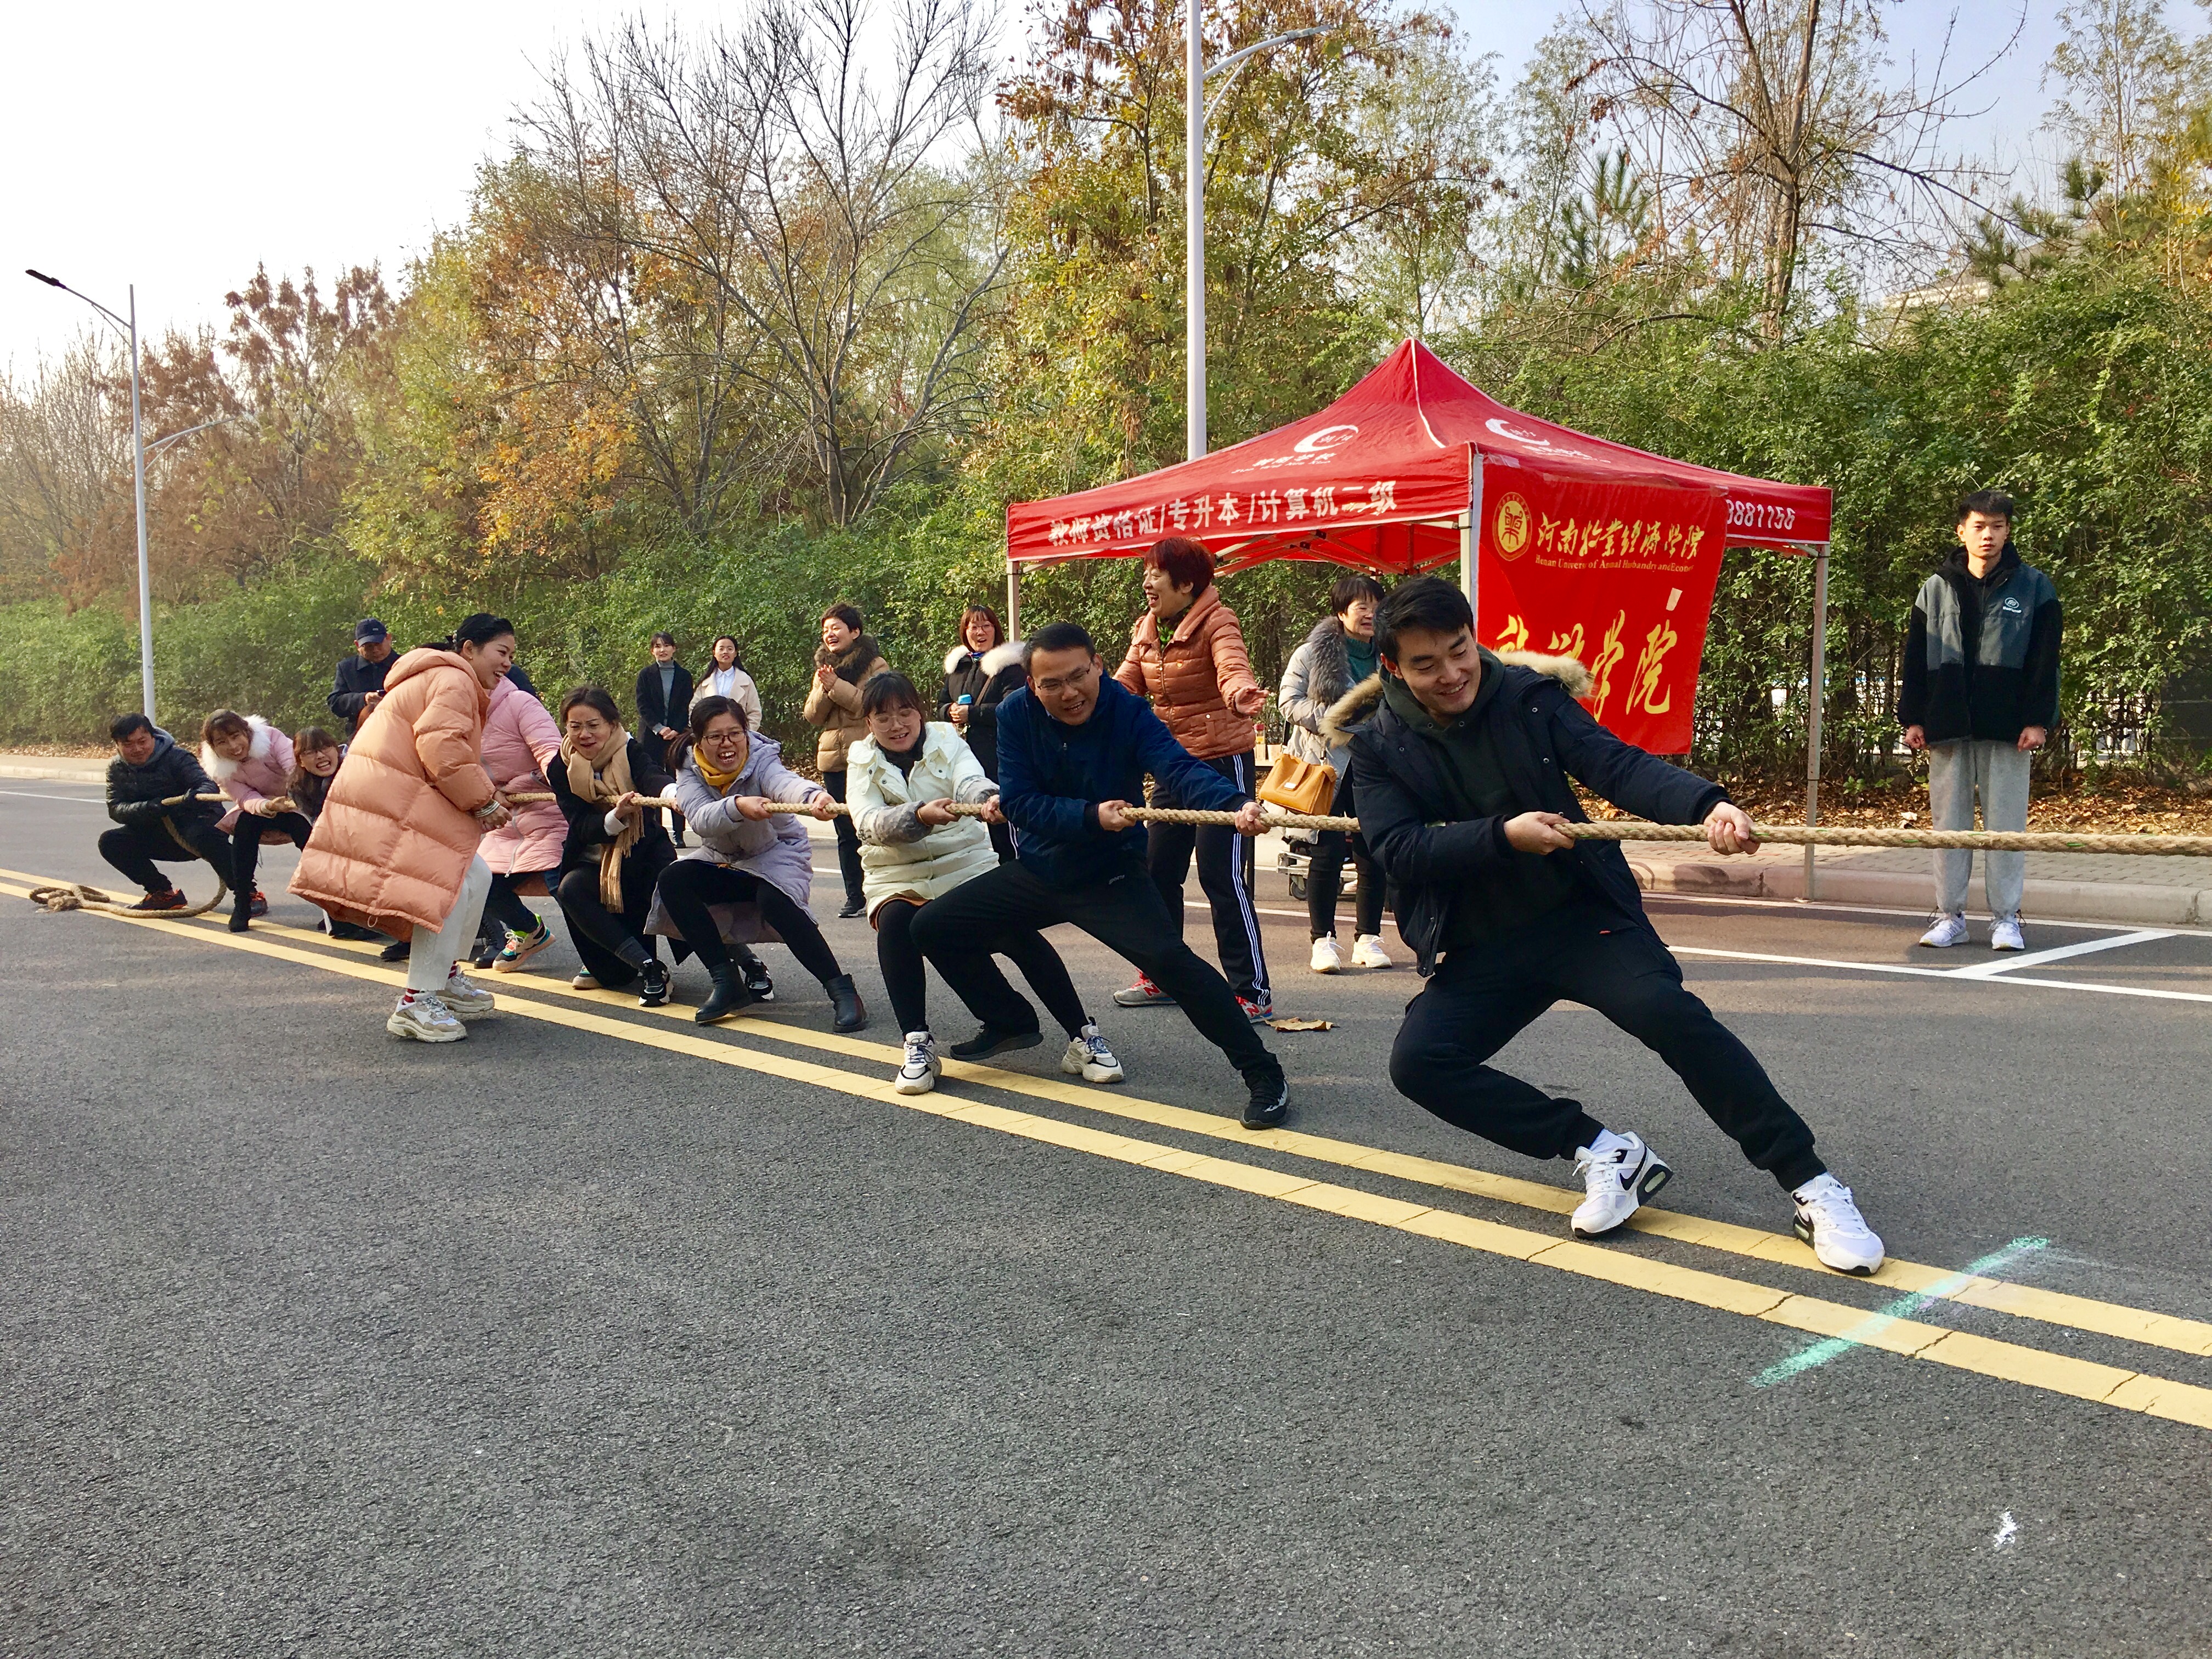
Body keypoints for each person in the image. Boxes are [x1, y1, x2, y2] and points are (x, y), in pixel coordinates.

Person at [1347, 577, 1883, 1272]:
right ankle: (1604, 1152)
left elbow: (1616, 764)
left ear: (1474, 639)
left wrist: (1706, 806)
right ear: (1393, 668)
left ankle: (1811, 1184)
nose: (1451, 674)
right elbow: (1398, 850)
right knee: (1420, 1064)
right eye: (1426, 664)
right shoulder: (1378, 746)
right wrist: (1503, 836)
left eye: (1459, 651)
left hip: (1581, 916)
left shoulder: (1528, 697)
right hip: (1485, 941)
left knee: (1669, 1013)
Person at [909, 622, 1289, 1129]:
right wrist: (1090, 816)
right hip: (1041, 869)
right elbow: (1020, 802)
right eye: (1052, 684)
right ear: (1031, 685)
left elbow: (1178, 769)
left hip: (1111, 873)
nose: (1069, 693)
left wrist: (1236, 803)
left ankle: (1265, 1074)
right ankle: (1009, 1020)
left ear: (1099, 666)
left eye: (1078, 677)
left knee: (1172, 964)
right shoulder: (1015, 714)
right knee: (931, 926)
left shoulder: (1127, 710)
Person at [848, 670, 1121, 1094]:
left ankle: (1083, 1036)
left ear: (920, 713)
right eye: (883, 718)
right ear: (869, 723)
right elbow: (866, 822)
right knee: (897, 925)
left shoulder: (947, 739)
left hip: (965, 863)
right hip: (897, 873)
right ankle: (918, 1044)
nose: (896, 725)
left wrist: (987, 799)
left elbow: (970, 780)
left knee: (1014, 929)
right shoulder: (860, 758)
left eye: (905, 713)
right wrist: (918, 816)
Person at [291, 614, 515, 1042]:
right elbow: (441, 747)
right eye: (501, 652)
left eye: (511, 656)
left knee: (475, 874)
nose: (507, 663)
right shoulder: (455, 678)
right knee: (446, 886)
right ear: (469, 649)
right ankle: (416, 1002)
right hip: (396, 796)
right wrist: (484, 802)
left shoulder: (435, 674)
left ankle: (444, 976)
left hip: (391, 790)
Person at [1110, 537, 1273, 1020]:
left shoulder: (1219, 621)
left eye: (1156, 573)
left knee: (1222, 877)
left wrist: (1240, 694)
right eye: (1146, 572)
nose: (1147, 582)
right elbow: (1125, 685)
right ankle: (1162, 975)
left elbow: (1232, 667)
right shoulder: (1147, 627)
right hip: (1172, 766)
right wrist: (1084, 699)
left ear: (1186, 584)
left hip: (1223, 763)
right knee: (1157, 870)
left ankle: (1252, 993)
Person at [1899, 489, 2062, 953]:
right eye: (1978, 526)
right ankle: (1949, 916)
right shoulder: (1935, 587)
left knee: (2006, 828)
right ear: (1961, 531)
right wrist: (1913, 716)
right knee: (1948, 828)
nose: (1987, 535)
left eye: (1997, 526)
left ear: (2008, 532)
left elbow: (2046, 660)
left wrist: (2038, 720)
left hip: (2009, 727)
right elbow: (1915, 657)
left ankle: (2006, 919)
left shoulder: (2035, 588)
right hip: (1947, 723)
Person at [646, 696, 866, 1030]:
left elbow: (784, 783)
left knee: (775, 899)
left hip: (776, 852)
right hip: (723, 858)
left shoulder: (761, 757)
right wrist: (738, 806)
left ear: (746, 733)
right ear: (699, 741)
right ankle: (726, 981)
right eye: (716, 736)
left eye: (735, 733)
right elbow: (701, 819)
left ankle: (842, 991)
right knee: (674, 880)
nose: (727, 744)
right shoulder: (688, 767)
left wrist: (814, 796)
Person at [1279, 573, 1392, 974]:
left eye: (1377, 606)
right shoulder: (1312, 653)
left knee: (1372, 852)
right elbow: (1288, 702)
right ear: (1342, 612)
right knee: (1325, 853)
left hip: (1377, 763)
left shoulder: (1393, 652)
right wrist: (1337, 719)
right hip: (1327, 764)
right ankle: (1322, 941)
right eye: (1362, 606)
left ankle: (1368, 938)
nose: (1370, 614)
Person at [546, 686, 680, 1006]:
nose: (585, 735)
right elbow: (581, 825)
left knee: (680, 888)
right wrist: (616, 817)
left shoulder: (629, 749)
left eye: (593, 725)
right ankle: (648, 966)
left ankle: (737, 964)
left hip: (643, 854)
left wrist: (675, 794)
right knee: (570, 889)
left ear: (611, 724)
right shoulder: (560, 767)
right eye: (575, 726)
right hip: (595, 860)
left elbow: (651, 776)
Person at [474, 667, 567, 971]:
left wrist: (521, 788)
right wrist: (489, 793)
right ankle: (530, 931)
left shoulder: (520, 703)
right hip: (503, 821)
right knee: (477, 881)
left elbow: (552, 757)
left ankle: (600, 955)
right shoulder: (460, 715)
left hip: (547, 812)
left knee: (565, 886)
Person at [803, 603, 889, 918]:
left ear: (854, 631)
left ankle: (882, 889)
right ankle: (854, 895)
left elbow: (869, 706)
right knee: (844, 832)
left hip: (865, 758)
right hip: (833, 760)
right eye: (826, 630)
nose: (830, 634)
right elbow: (812, 715)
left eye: (836, 628)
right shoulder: (824, 668)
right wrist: (826, 687)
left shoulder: (876, 665)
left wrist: (835, 686)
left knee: (873, 826)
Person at [98, 713, 232, 911]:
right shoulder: (116, 769)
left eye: (142, 741)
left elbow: (207, 786)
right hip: (157, 832)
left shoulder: (177, 757)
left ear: (153, 737)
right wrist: (151, 807)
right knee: (111, 842)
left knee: (204, 835)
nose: (137, 749)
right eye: (128, 744)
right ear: (117, 745)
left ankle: (248, 892)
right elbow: (116, 809)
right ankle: (162, 894)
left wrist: (188, 800)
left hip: (196, 826)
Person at [200, 710, 312, 934]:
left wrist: (290, 800)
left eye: (236, 736)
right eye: (222, 742)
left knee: (306, 834)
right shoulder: (218, 768)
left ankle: (331, 907)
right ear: (213, 747)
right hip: (261, 807)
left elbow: (295, 769)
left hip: (297, 801)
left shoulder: (271, 737)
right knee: (245, 826)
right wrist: (267, 806)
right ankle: (243, 902)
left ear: (247, 731)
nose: (233, 746)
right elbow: (243, 797)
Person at [938, 603, 1027, 861]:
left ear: (996, 630)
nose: (980, 632)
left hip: (998, 756)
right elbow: (941, 704)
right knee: (969, 827)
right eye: (973, 626)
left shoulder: (1010, 667)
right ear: (964, 631)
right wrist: (950, 711)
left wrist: (973, 714)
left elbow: (1012, 707)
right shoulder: (958, 667)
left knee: (1001, 821)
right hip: (964, 756)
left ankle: (1017, 870)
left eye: (986, 626)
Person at [284, 727, 377, 941]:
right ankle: (340, 919)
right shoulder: (298, 787)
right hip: (334, 837)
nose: (320, 756)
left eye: (325, 748)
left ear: (337, 749)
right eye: (310, 752)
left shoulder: (357, 769)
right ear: (300, 761)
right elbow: (319, 823)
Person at [636, 632, 697, 848]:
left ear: (674, 649)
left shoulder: (684, 676)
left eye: (666, 646)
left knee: (677, 781)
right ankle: (655, 831)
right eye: (658, 646)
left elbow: (686, 706)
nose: (662, 650)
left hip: (676, 738)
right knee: (653, 782)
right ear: (652, 650)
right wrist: (659, 728)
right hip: (651, 736)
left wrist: (676, 730)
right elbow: (643, 705)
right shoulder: (645, 675)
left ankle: (678, 833)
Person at [328, 618, 398, 735]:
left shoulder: (405, 664)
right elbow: (335, 702)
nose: (375, 650)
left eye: (378, 644)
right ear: (357, 645)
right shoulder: (347, 668)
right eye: (368, 647)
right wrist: (363, 699)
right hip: (361, 733)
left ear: (389, 638)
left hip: (400, 729)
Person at [697, 635, 762, 731]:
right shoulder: (705, 682)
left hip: (737, 734)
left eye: (730, 649)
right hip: (711, 733)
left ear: (735, 653)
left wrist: (745, 733)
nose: (725, 652)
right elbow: (694, 709)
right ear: (714, 653)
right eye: (721, 649)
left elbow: (755, 712)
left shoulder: (746, 680)